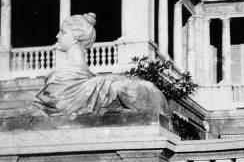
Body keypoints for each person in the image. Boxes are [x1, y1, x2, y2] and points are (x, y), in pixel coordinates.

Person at [33, 12, 169, 116]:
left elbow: (55, 107)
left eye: (63, 32)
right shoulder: (68, 75)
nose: (57, 36)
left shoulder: (67, 76)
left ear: (75, 38)